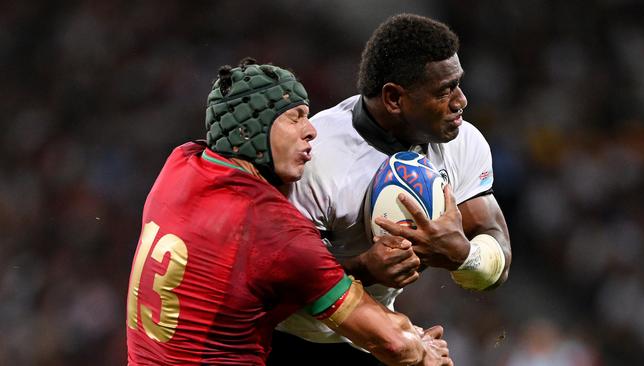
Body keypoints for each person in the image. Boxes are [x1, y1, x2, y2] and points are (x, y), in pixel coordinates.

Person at [125, 58, 454, 366]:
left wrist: (361, 267)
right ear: (249, 132)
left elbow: (271, 277)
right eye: (294, 117)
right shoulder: (272, 229)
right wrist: (424, 350)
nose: (311, 130)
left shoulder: (180, 163)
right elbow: (394, 344)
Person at [269, 13, 512, 364]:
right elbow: (274, 285)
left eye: (458, 83)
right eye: (445, 90)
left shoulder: (462, 142)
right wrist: (364, 268)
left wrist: (463, 255)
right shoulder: (314, 155)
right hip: (290, 341)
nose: (461, 101)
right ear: (394, 98)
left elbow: (498, 259)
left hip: (373, 339)